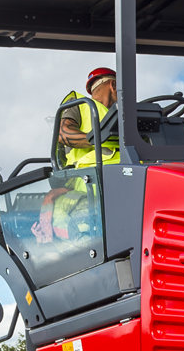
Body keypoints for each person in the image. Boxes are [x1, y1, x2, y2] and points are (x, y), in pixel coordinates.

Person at [32, 67, 121, 243]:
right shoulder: (80, 105)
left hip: (127, 177)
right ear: (114, 85)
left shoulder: (120, 115)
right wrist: (98, 138)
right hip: (91, 183)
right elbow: (62, 132)